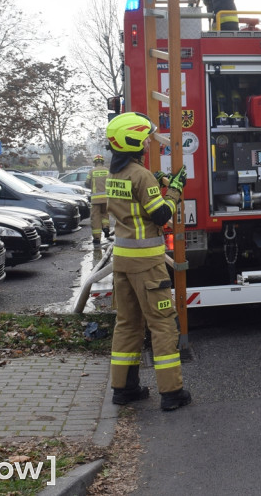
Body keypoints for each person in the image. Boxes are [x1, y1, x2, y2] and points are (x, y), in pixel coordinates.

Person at [105, 112, 193, 412]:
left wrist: (154, 185)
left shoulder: (113, 174)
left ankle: (123, 389)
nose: (146, 143)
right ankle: (172, 393)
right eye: (143, 138)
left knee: (127, 324)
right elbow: (161, 215)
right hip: (147, 263)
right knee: (162, 325)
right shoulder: (140, 175)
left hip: (122, 261)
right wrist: (175, 192)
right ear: (132, 141)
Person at [88, 154, 111, 246]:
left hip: (95, 200)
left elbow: (87, 183)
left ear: (95, 162)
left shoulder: (92, 171)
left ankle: (97, 238)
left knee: (96, 217)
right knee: (105, 214)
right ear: (102, 162)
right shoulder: (107, 171)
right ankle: (106, 228)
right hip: (106, 198)